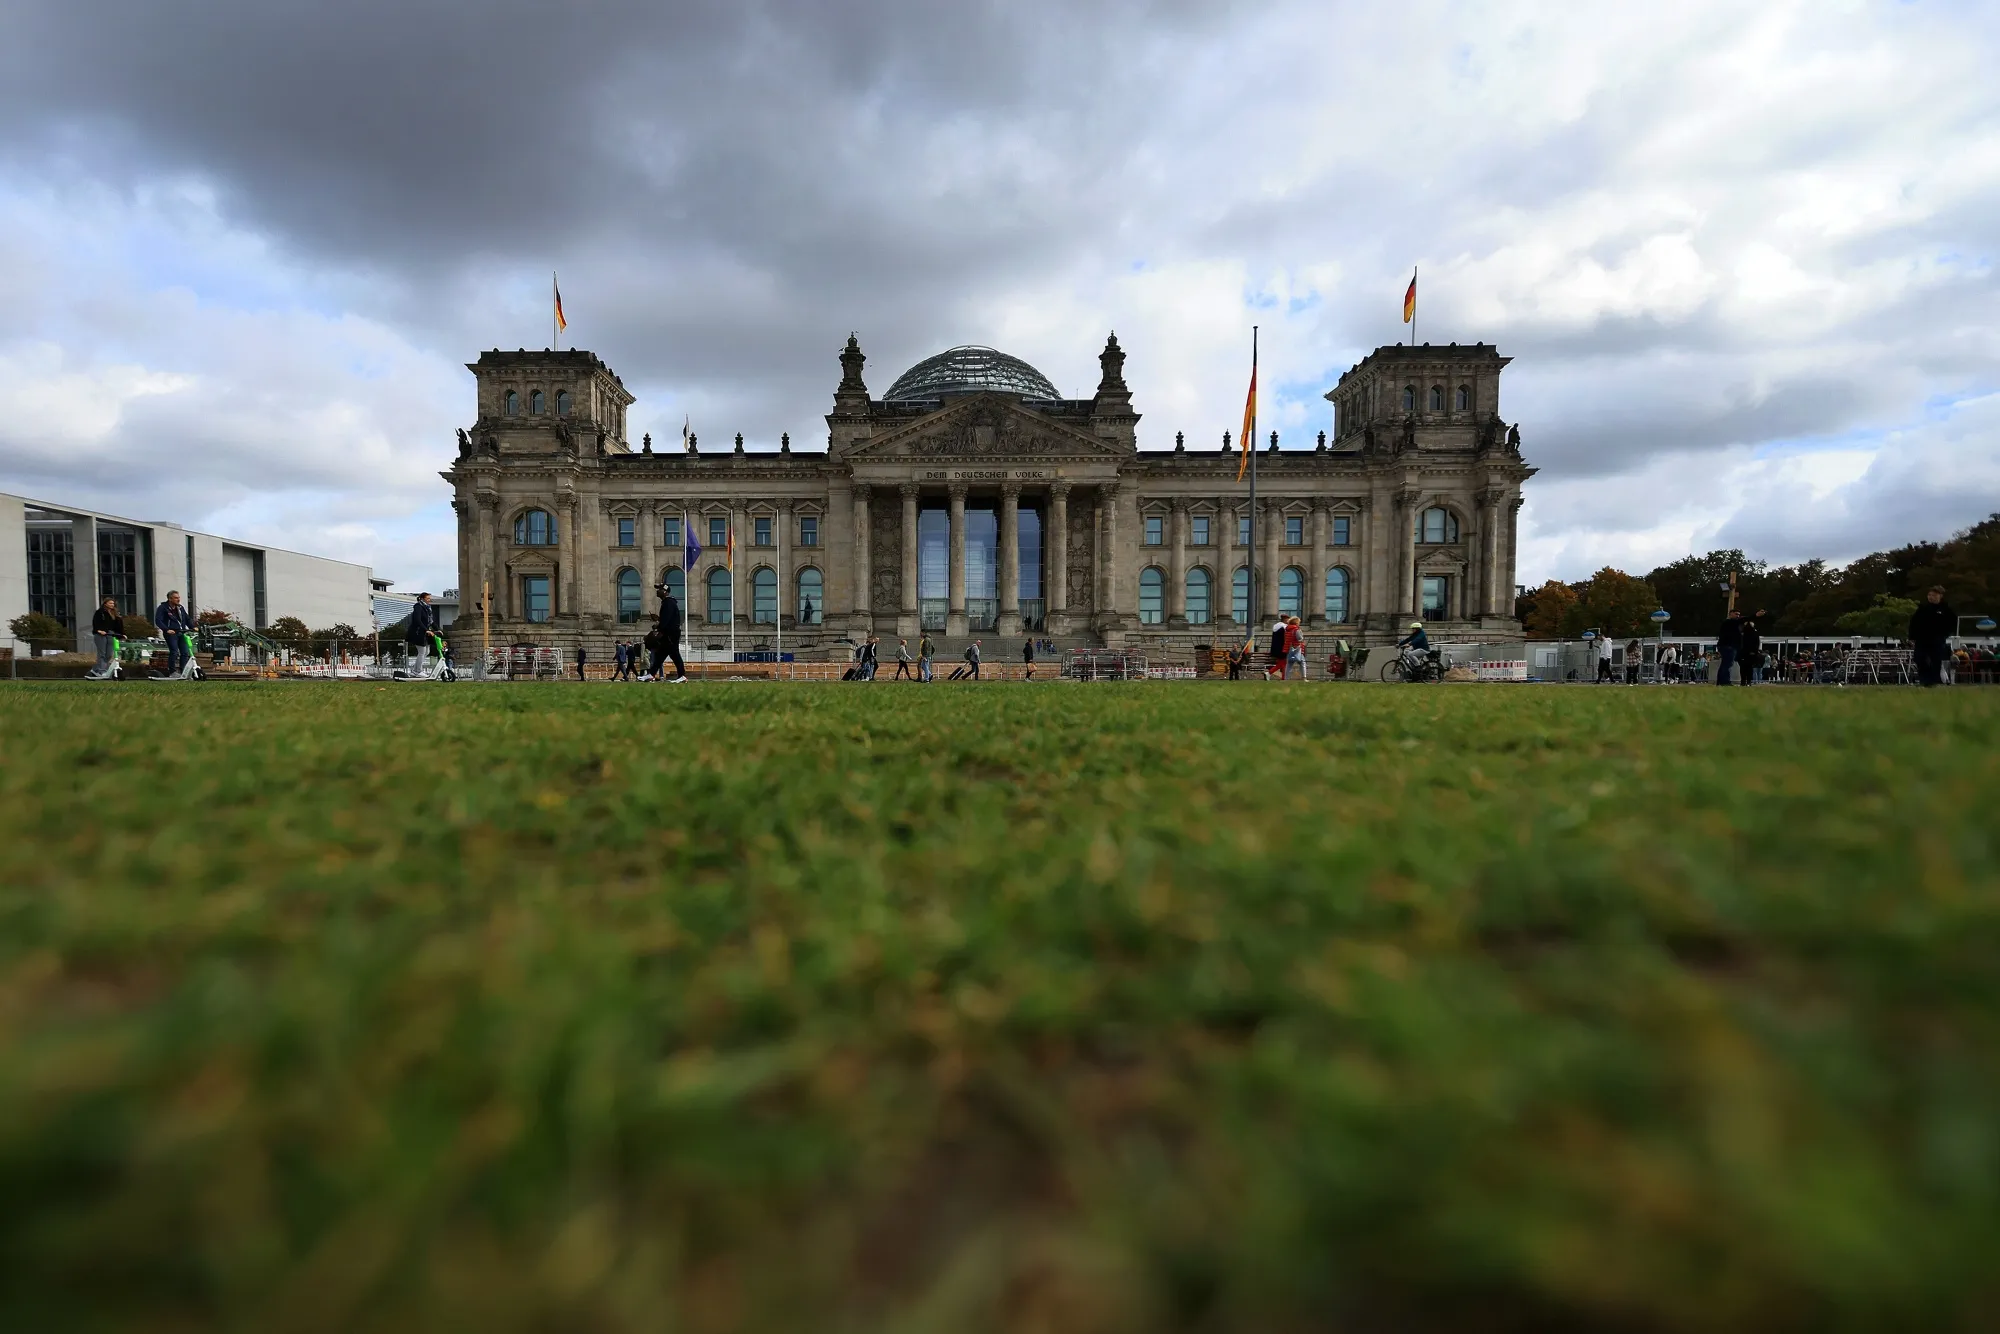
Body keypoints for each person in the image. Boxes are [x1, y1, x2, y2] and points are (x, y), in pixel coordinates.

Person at [1909, 585, 1955, 688]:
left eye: (1934, 595)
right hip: (1922, 638)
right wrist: (1912, 637)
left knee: (1935, 660)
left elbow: (1951, 624)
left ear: (1940, 596)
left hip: (1937, 639)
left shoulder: (1946, 609)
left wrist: (1944, 634)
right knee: (1919, 658)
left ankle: (1933, 681)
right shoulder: (1922, 608)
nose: (1931, 597)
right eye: (1929, 595)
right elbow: (1914, 623)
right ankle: (1924, 679)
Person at [154, 589, 194, 676]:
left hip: (181, 632)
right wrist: (166, 629)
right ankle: (172, 671)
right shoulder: (163, 608)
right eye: (176, 598)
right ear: (170, 599)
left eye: (178, 598)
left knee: (185, 652)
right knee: (174, 652)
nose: (178, 599)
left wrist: (193, 627)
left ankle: (183, 671)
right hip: (171, 633)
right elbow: (158, 620)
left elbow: (186, 619)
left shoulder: (180, 608)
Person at [656, 584, 688, 682]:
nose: (657, 591)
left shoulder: (668, 603)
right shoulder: (667, 602)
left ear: (665, 591)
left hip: (670, 634)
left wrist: (659, 627)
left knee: (673, 654)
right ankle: (651, 674)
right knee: (661, 655)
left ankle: (682, 676)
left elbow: (667, 620)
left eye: (659, 589)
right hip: (669, 633)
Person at [406, 591, 439, 676]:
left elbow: (430, 621)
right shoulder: (418, 607)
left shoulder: (428, 608)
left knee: (427, 651)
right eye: (428, 598)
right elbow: (417, 620)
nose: (429, 600)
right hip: (417, 632)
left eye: (429, 598)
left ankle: (415, 670)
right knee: (422, 651)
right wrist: (426, 630)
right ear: (422, 599)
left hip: (424, 633)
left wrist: (437, 629)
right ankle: (418, 671)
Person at [90, 596, 122, 677]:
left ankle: (96, 669)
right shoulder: (100, 612)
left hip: (110, 634)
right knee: (102, 654)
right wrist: (99, 630)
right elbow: (95, 622)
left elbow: (119, 625)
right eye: (110, 603)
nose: (112, 605)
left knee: (109, 654)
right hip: (100, 634)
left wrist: (122, 634)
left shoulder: (115, 613)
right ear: (105, 604)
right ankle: (102, 671)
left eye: (113, 603)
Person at [1715, 609, 1743, 685]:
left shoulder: (1728, 624)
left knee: (1724, 664)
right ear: (1730, 614)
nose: (1738, 616)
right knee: (1727, 665)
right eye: (1736, 614)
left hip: (1725, 646)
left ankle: (1720, 681)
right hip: (1728, 646)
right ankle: (1725, 681)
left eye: (1738, 614)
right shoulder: (1730, 623)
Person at [1739, 611, 1762, 687]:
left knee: (1748, 668)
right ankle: (1744, 681)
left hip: (1748, 652)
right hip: (1744, 652)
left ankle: (1747, 681)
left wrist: (1754, 651)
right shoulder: (1743, 632)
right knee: (1744, 668)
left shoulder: (1753, 632)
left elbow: (1756, 642)